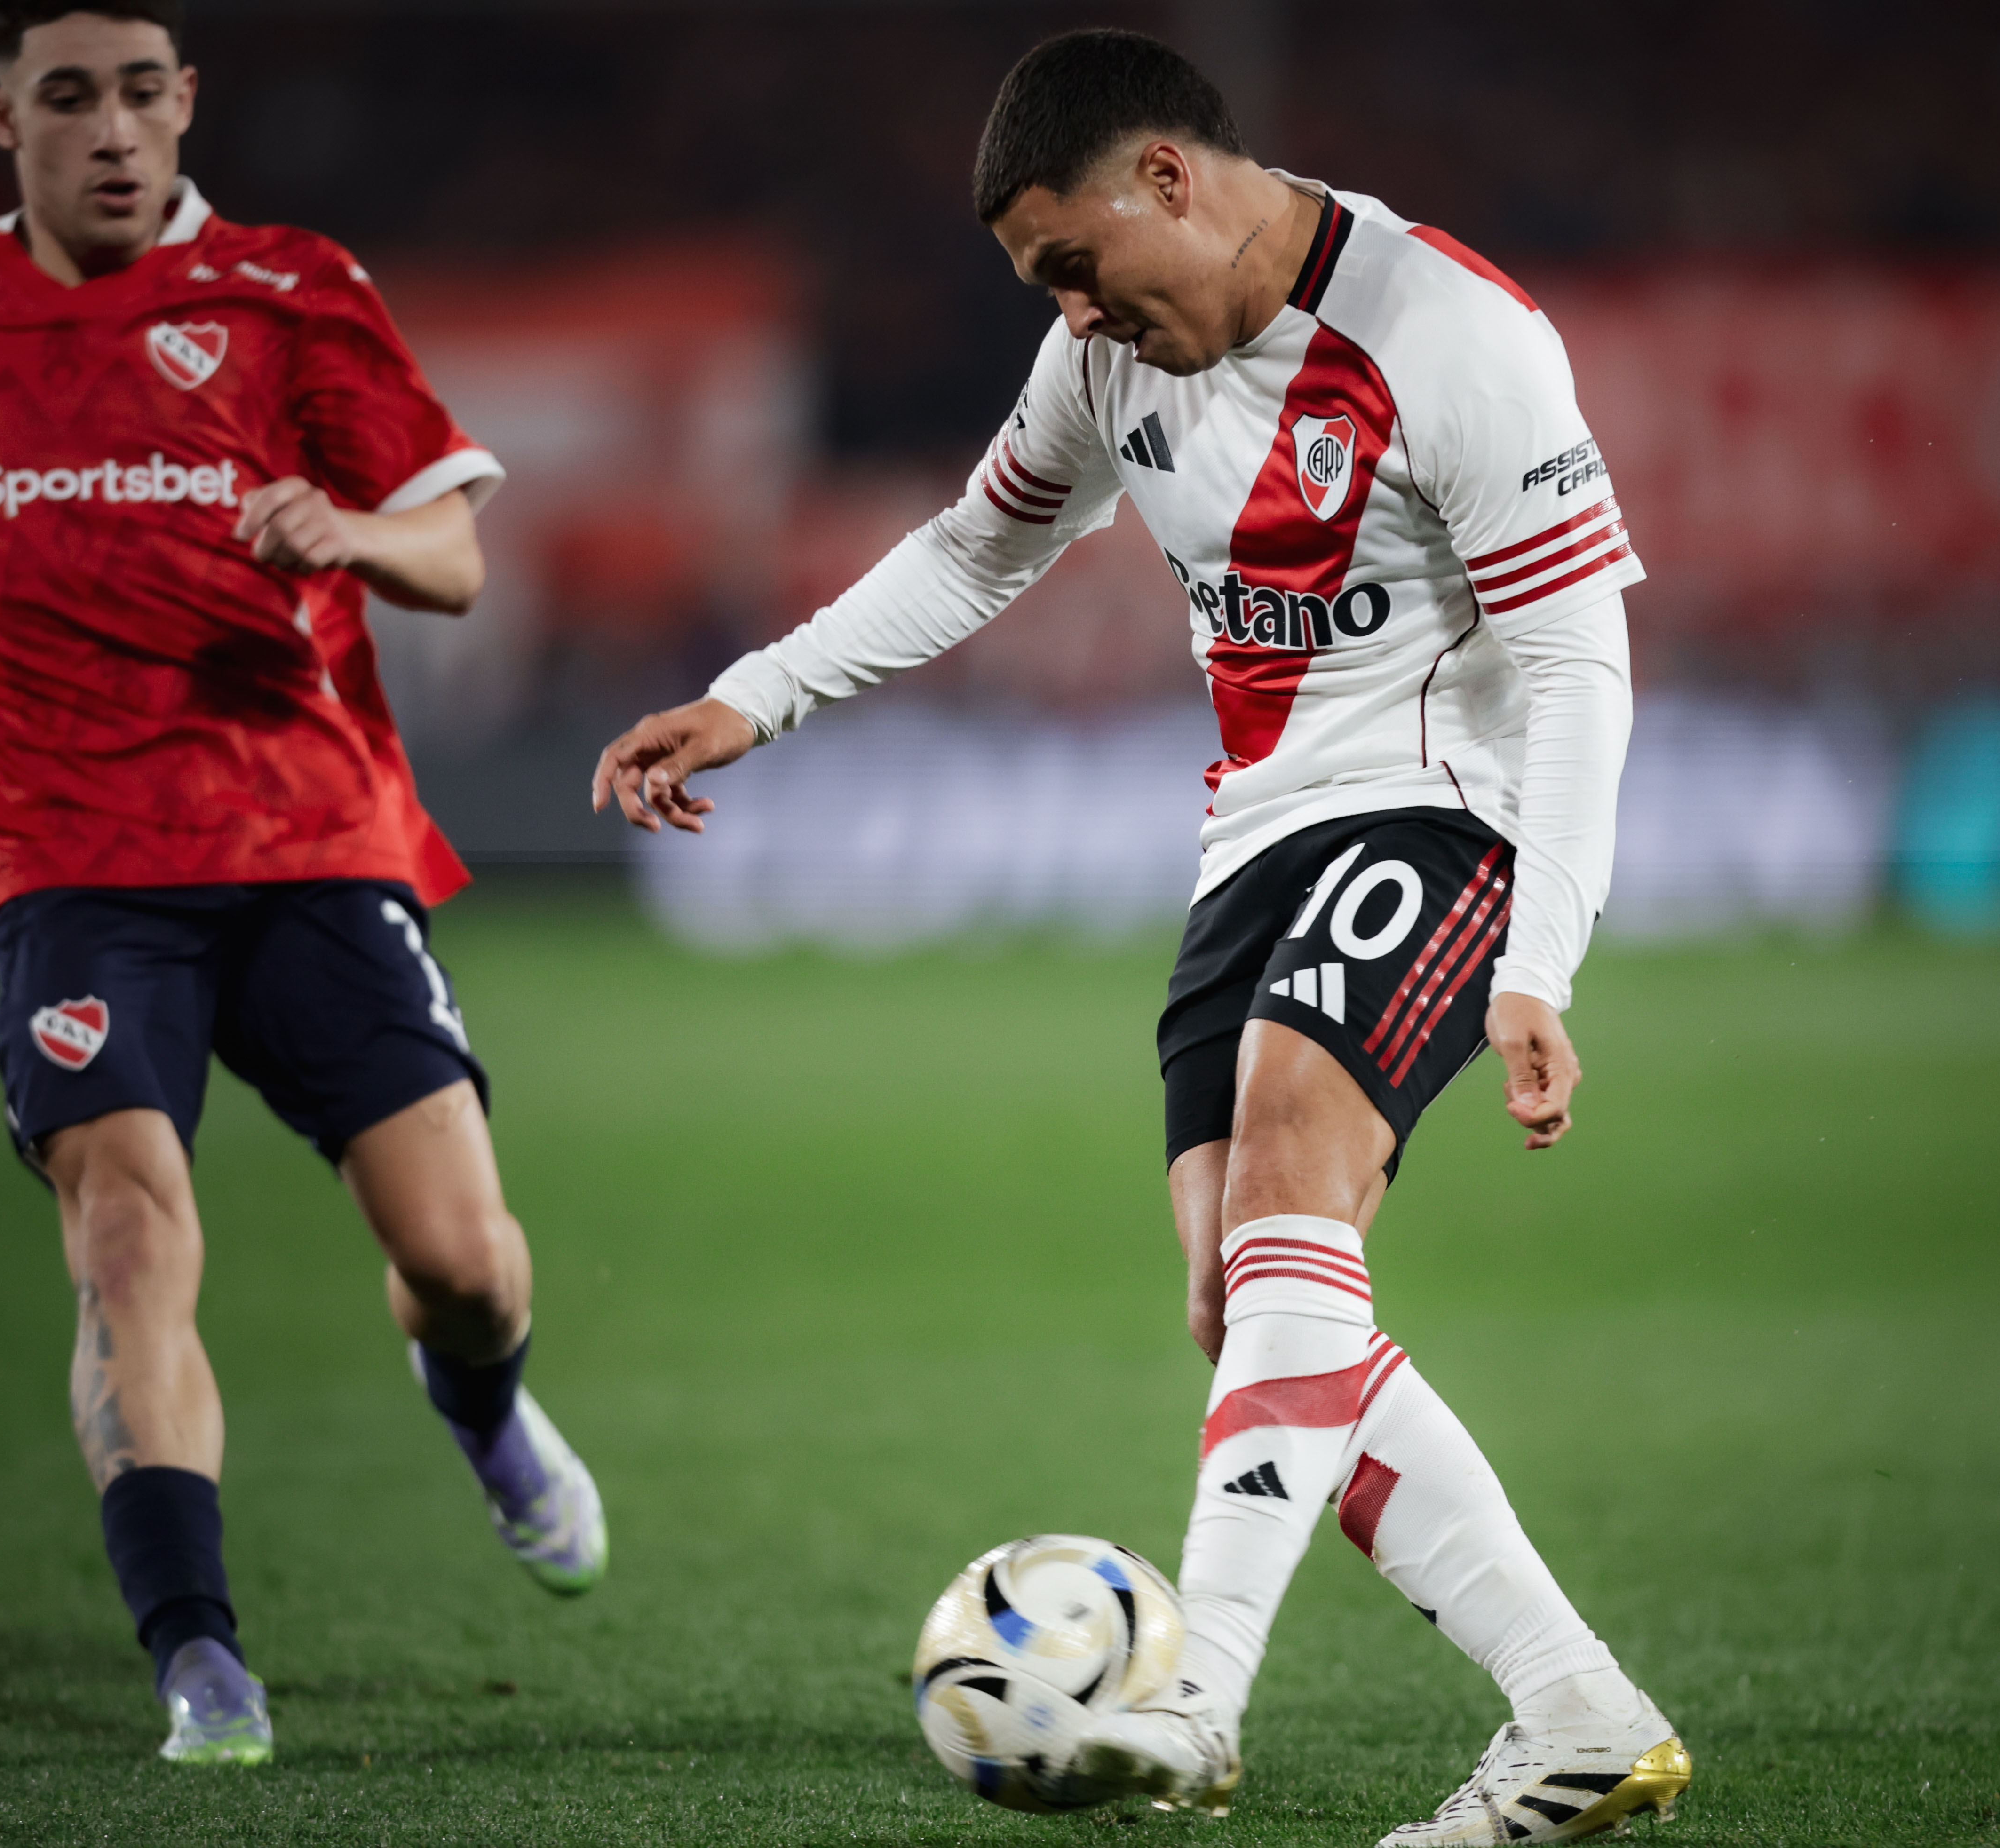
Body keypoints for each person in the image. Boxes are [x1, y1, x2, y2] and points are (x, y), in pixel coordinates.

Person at [594, 28, 1686, 1845]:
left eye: (1075, 265)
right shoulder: (1101, 362)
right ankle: (1576, 1707)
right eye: (1046, 287)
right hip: (1254, 842)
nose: (1074, 314)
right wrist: (753, 696)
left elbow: (1575, 661)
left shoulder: (1446, 335)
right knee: (1247, 1305)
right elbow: (980, 545)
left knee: (1288, 1179)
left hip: (1445, 812)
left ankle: (1195, 1703)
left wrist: (1538, 959)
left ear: (1165, 177)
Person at [0, 0, 604, 1768]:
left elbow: (453, 555)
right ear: (0, 114)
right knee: (128, 1235)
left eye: (141, 94)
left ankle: (483, 1410)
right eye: (69, 96)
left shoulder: (291, 291)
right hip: (70, 863)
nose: (111, 130)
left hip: (305, 838)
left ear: (185, 104)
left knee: (464, 1260)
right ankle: (199, 1656)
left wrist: (350, 529)